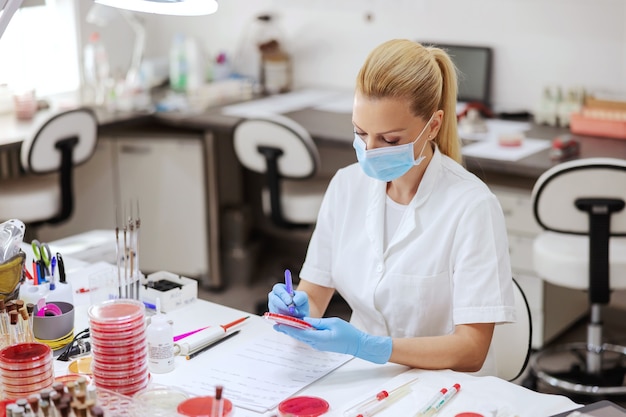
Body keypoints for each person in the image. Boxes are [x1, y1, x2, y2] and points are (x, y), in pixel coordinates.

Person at [267, 39, 515, 376]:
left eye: (390, 140)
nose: (369, 150)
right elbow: (316, 290)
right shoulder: (346, 185)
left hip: (445, 386)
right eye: (360, 132)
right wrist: (297, 308)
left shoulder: (472, 207)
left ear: (434, 125)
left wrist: (371, 346)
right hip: (361, 376)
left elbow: (472, 350)